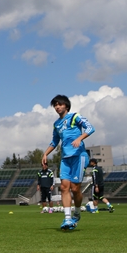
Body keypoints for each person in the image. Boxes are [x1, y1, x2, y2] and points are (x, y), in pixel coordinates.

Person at [42, 94, 95, 231]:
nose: (57, 107)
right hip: (65, 159)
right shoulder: (56, 124)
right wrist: (45, 154)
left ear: (66, 105)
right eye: (55, 105)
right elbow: (54, 141)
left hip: (79, 156)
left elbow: (90, 128)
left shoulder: (75, 116)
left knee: (75, 189)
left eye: (59, 104)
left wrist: (80, 138)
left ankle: (77, 213)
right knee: (65, 187)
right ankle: (67, 218)